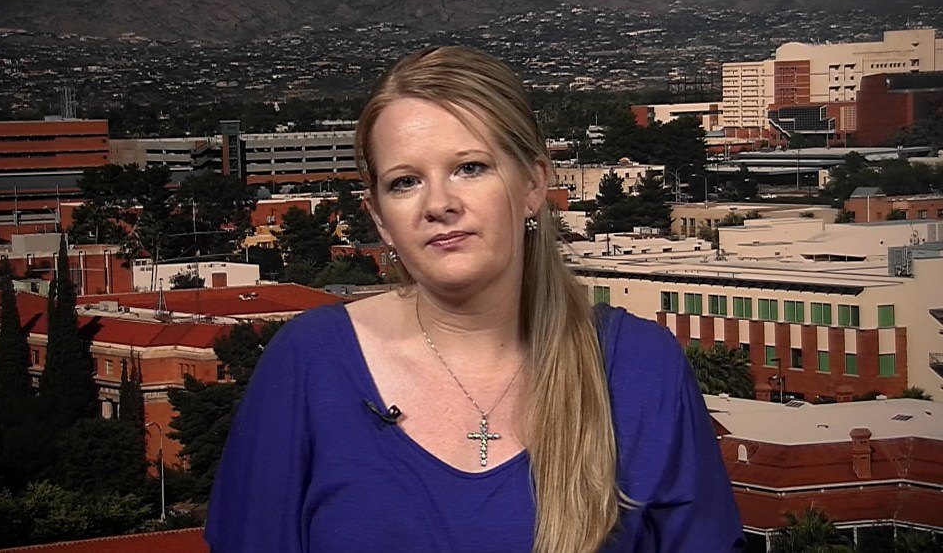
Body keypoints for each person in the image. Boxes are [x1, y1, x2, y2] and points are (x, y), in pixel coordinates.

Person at [205, 46, 745, 552]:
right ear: (380, 218)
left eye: (470, 168)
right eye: (405, 182)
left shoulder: (641, 370)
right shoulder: (307, 365)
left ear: (533, 185)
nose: (439, 204)